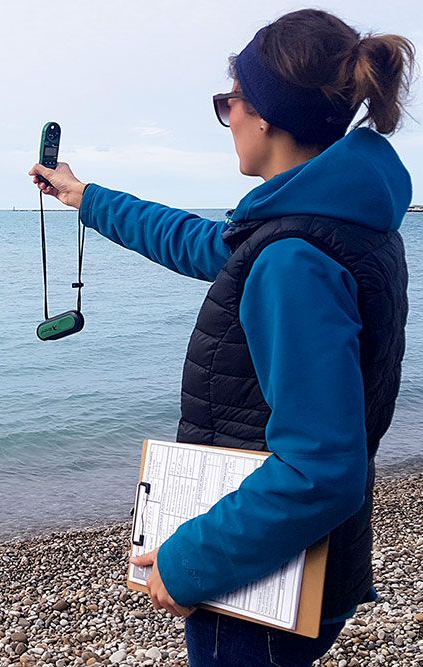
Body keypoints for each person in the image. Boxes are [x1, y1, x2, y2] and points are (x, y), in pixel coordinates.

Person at [29, 8, 415, 666]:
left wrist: (187, 562)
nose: (226, 117)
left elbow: (321, 471)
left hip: (266, 583)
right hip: (312, 557)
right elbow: (199, 241)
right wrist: (84, 196)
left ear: (265, 115)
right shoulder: (335, 220)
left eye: (227, 101)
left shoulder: (296, 259)